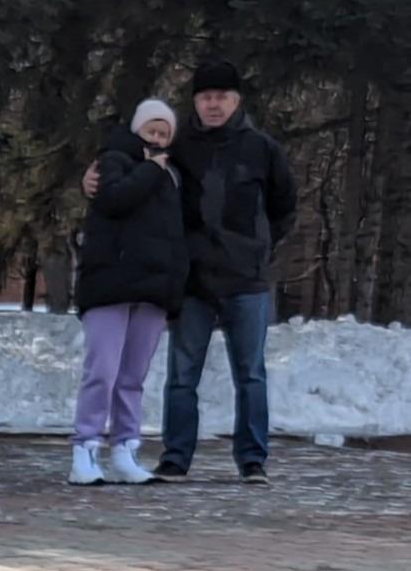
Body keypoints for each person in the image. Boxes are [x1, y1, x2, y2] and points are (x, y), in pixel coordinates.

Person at [90, 61, 295, 482]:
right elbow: (127, 160)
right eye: (206, 97)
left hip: (247, 281)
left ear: (236, 101)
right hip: (194, 281)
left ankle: (253, 460)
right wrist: (87, 177)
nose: (214, 104)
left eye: (222, 97)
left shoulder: (262, 148)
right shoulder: (178, 147)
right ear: (196, 102)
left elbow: (284, 206)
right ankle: (176, 458)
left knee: (251, 375)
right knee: (182, 377)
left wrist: (259, 247)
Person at [69, 100, 186, 486]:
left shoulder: (173, 175)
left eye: (163, 133)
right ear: (137, 129)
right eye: (151, 130)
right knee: (101, 369)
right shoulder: (114, 160)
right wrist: (151, 169)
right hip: (110, 284)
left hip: (153, 289)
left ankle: (125, 448)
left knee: (133, 375)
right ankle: (85, 448)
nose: (156, 137)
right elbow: (114, 199)